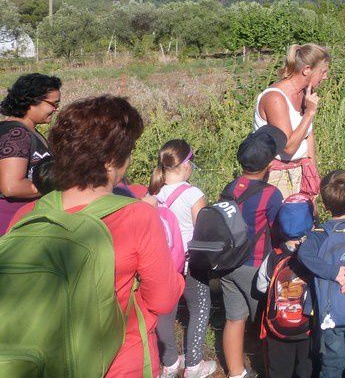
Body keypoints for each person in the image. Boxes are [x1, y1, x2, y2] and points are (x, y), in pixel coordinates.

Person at [10, 96, 184, 376]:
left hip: (45, 363)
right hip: (118, 361)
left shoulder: (28, 214)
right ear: (112, 161)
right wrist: (175, 278)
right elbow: (163, 300)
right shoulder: (137, 216)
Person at [220, 127, 286, 378]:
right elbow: (278, 230)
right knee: (265, 322)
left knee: (234, 318)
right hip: (255, 266)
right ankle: (269, 369)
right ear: (269, 165)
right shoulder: (271, 194)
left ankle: (236, 372)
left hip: (228, 264)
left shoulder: (230, 188)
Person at [148, 139, 216, 378]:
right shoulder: (193, 193)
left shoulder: (153, 192)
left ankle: (169, 363)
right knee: (199, 307)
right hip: (188, 262)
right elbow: (202, 231)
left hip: (162, 264)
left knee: (165, 312)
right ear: (186, 165)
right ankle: (194, 365)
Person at [299, 170, 345, 378]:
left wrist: (332, 272)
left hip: (331, 314)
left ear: (325, 204)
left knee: (332, 363)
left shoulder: (321, 233)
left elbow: (304, 254)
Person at [254, 43, 330, 198]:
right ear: (307, 70)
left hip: (301, 170)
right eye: (323, 71)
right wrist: (309, 113)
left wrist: (313, 176)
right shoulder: (275, 98)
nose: (325, 77)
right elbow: (288, 147)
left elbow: (308, 135)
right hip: (276, 177)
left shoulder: (305, 93)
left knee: (308, 221)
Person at [258, 198, 315, 378]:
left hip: (278, 330)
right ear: (311, 225)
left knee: (278, 370)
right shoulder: (314, 256)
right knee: (306, 368)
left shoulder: (274, 256)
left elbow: (260, 287)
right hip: (307, 328)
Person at [0, 72, 60, 234]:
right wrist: (54, 186)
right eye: (53, 104)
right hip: (9, 221)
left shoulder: (29, 131)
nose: (56, 109)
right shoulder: (16, 133)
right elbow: (11, 187)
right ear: (32, 101)